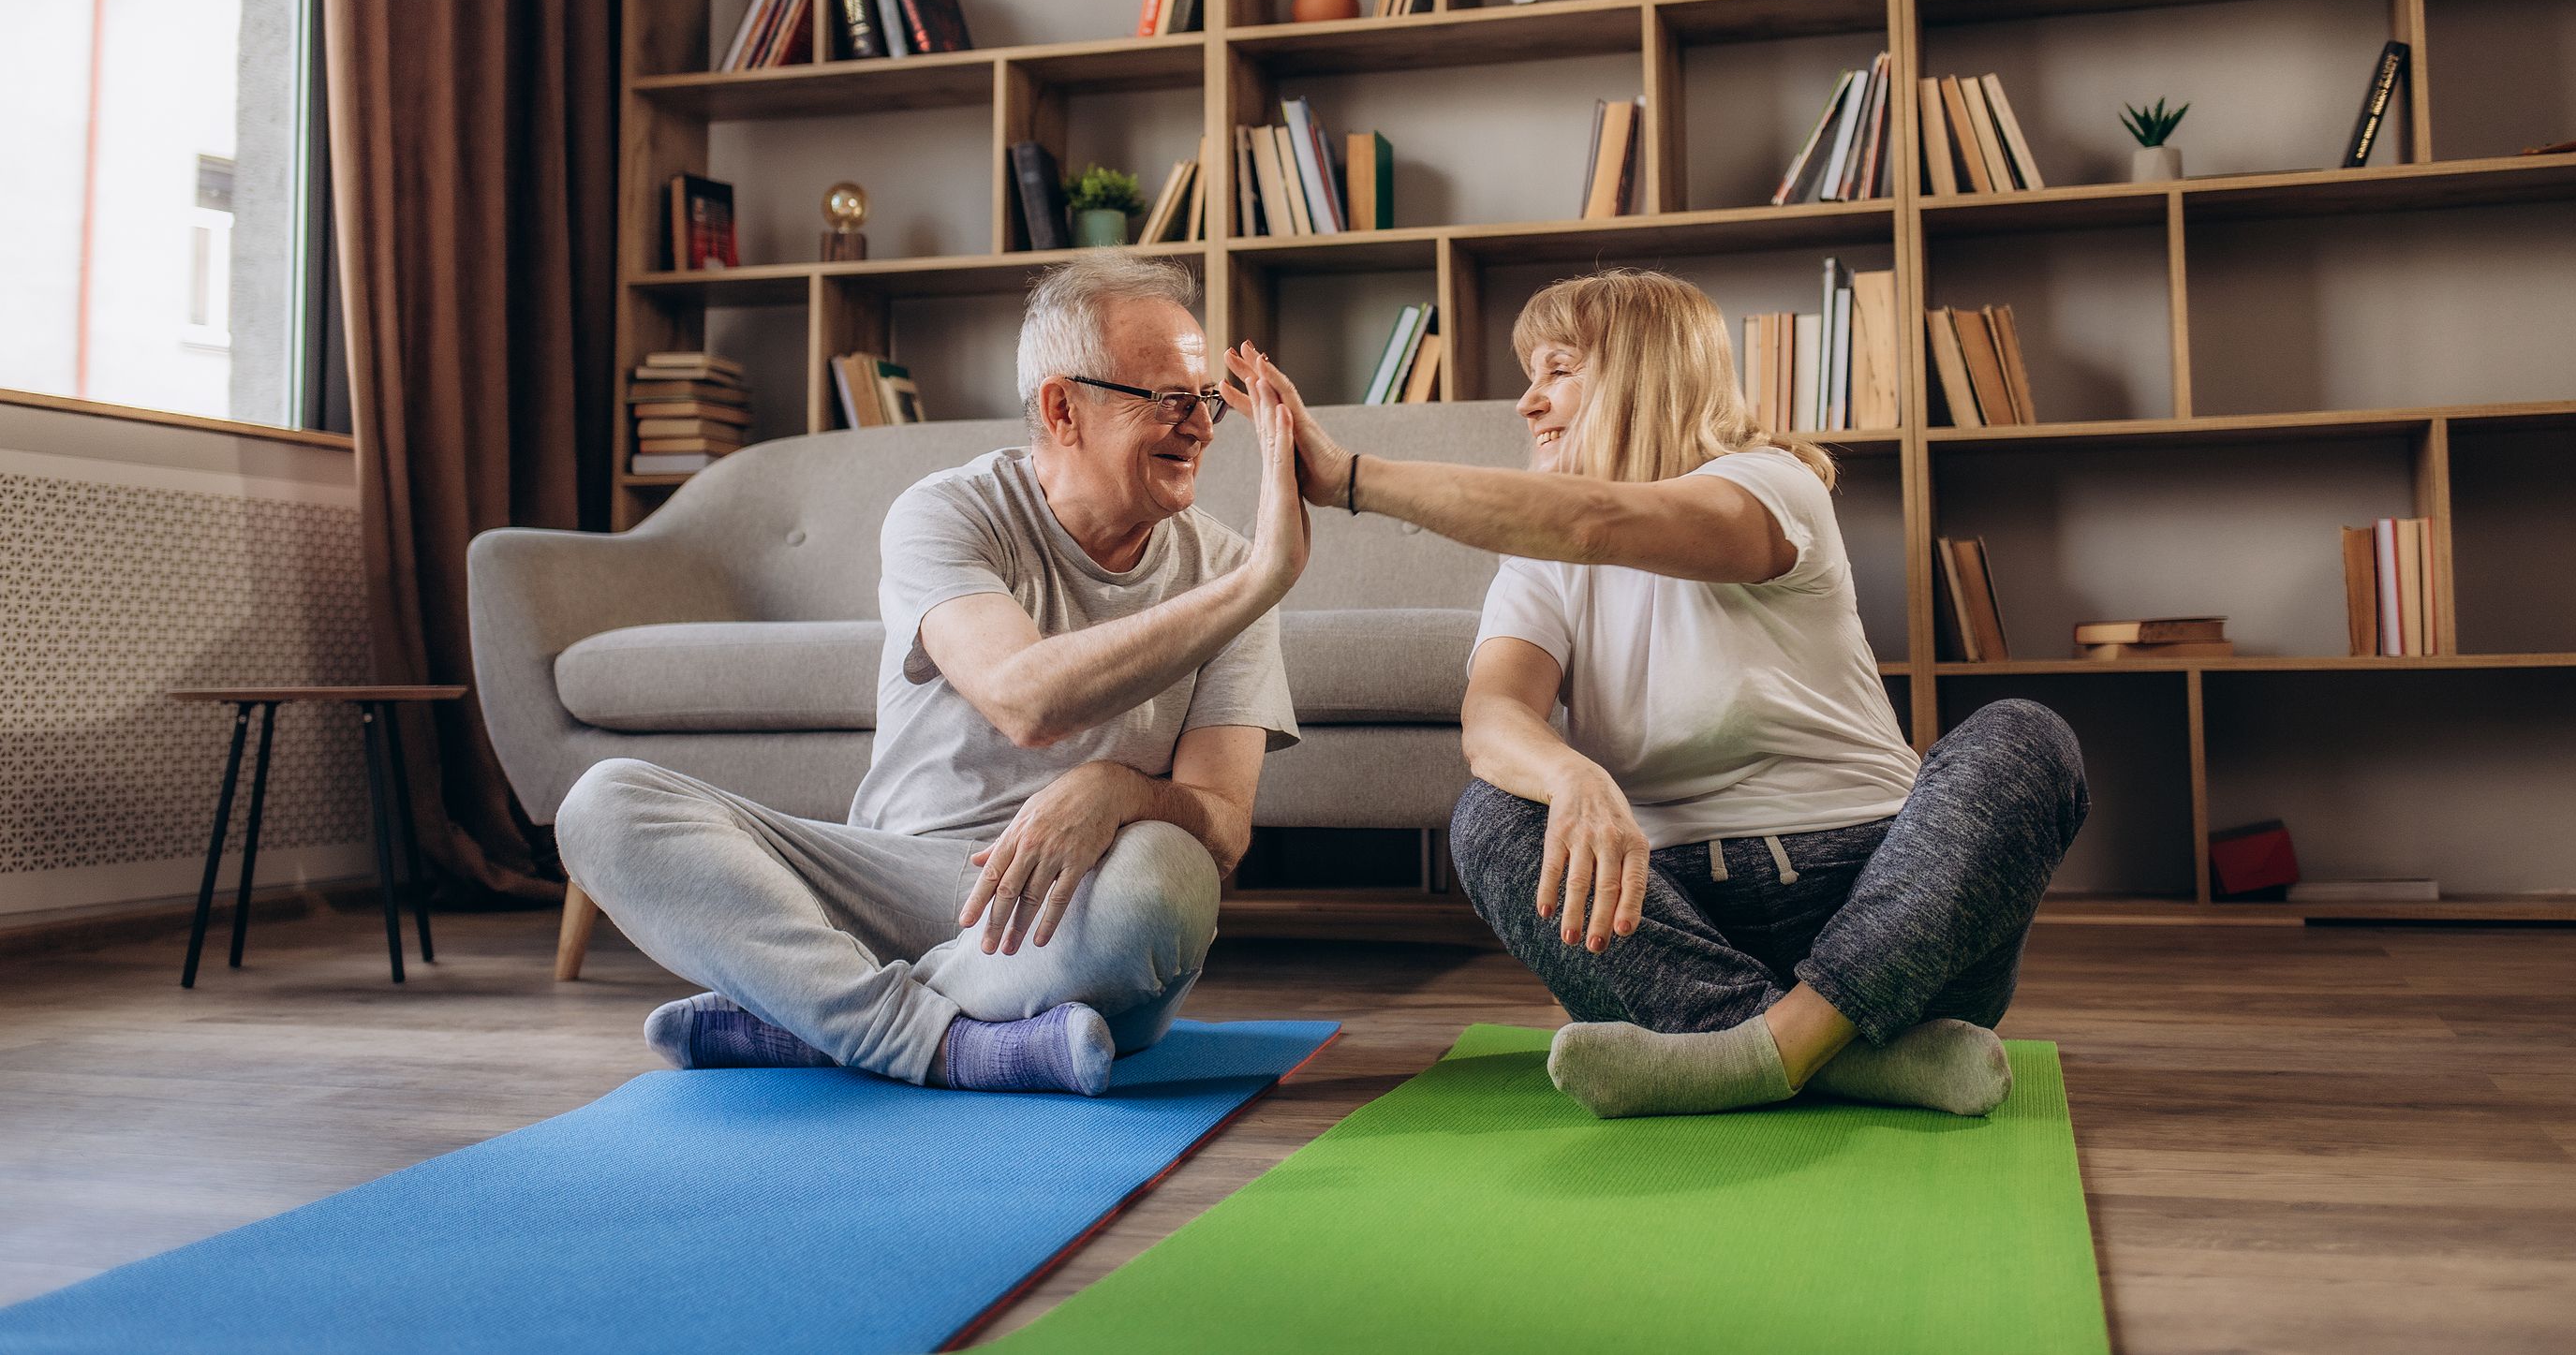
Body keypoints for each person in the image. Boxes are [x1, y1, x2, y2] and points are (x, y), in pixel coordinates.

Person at [1225, 269, 2086, 1119]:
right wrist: (1569, 775)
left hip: (1882, 904)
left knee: (2024, 736)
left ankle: (1762, 1048)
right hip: (1668, 919)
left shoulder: (1773, 485)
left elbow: (1598, 522)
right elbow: (1493, 718)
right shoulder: (1535, 561)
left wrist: (1348, 479)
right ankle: (1858, 1057)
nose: (1527, 403)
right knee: (1489, 811)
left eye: (1559, 371)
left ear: (1647, 376)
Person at [559, 257, 1306, 1097]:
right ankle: (955, 1044)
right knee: (605, 805)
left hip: (1062, 915)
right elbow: (1026, 698)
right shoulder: (948, 511)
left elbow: (1225, 825)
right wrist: (1254, 588)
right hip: (888, 883)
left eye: (1206, 400)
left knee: (1171, 880)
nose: (1202, 426)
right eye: (1169, 399)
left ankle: (814, 1019)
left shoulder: (1230, 569)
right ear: (1064, 408)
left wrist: (1122, 792)